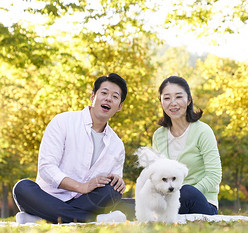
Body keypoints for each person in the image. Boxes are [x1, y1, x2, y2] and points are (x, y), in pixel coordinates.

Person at [13, 73, 132, 223]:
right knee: (22, 188)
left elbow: (111, 184)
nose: (108, 98)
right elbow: (46, 168)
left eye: (115, 96)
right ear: (93, 96)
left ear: (119, 106)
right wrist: (81, 187)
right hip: (48, 197)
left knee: (112, 191)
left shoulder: (117, 144)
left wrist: (118, 182)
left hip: (85, 202)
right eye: (104, 93)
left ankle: (42, 216)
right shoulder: (63, 121)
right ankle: (93, 219)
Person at [152, 76, 222, 215]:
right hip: (170, 204)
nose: (173, 103)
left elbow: (214, 175)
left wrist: (180, 193)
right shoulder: (158, 135)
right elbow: (157, 175)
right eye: (166, 98)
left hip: (202, 202)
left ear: (189, 100)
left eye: (178, 97)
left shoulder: (202, 131)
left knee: (187, 191)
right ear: (161, 102)